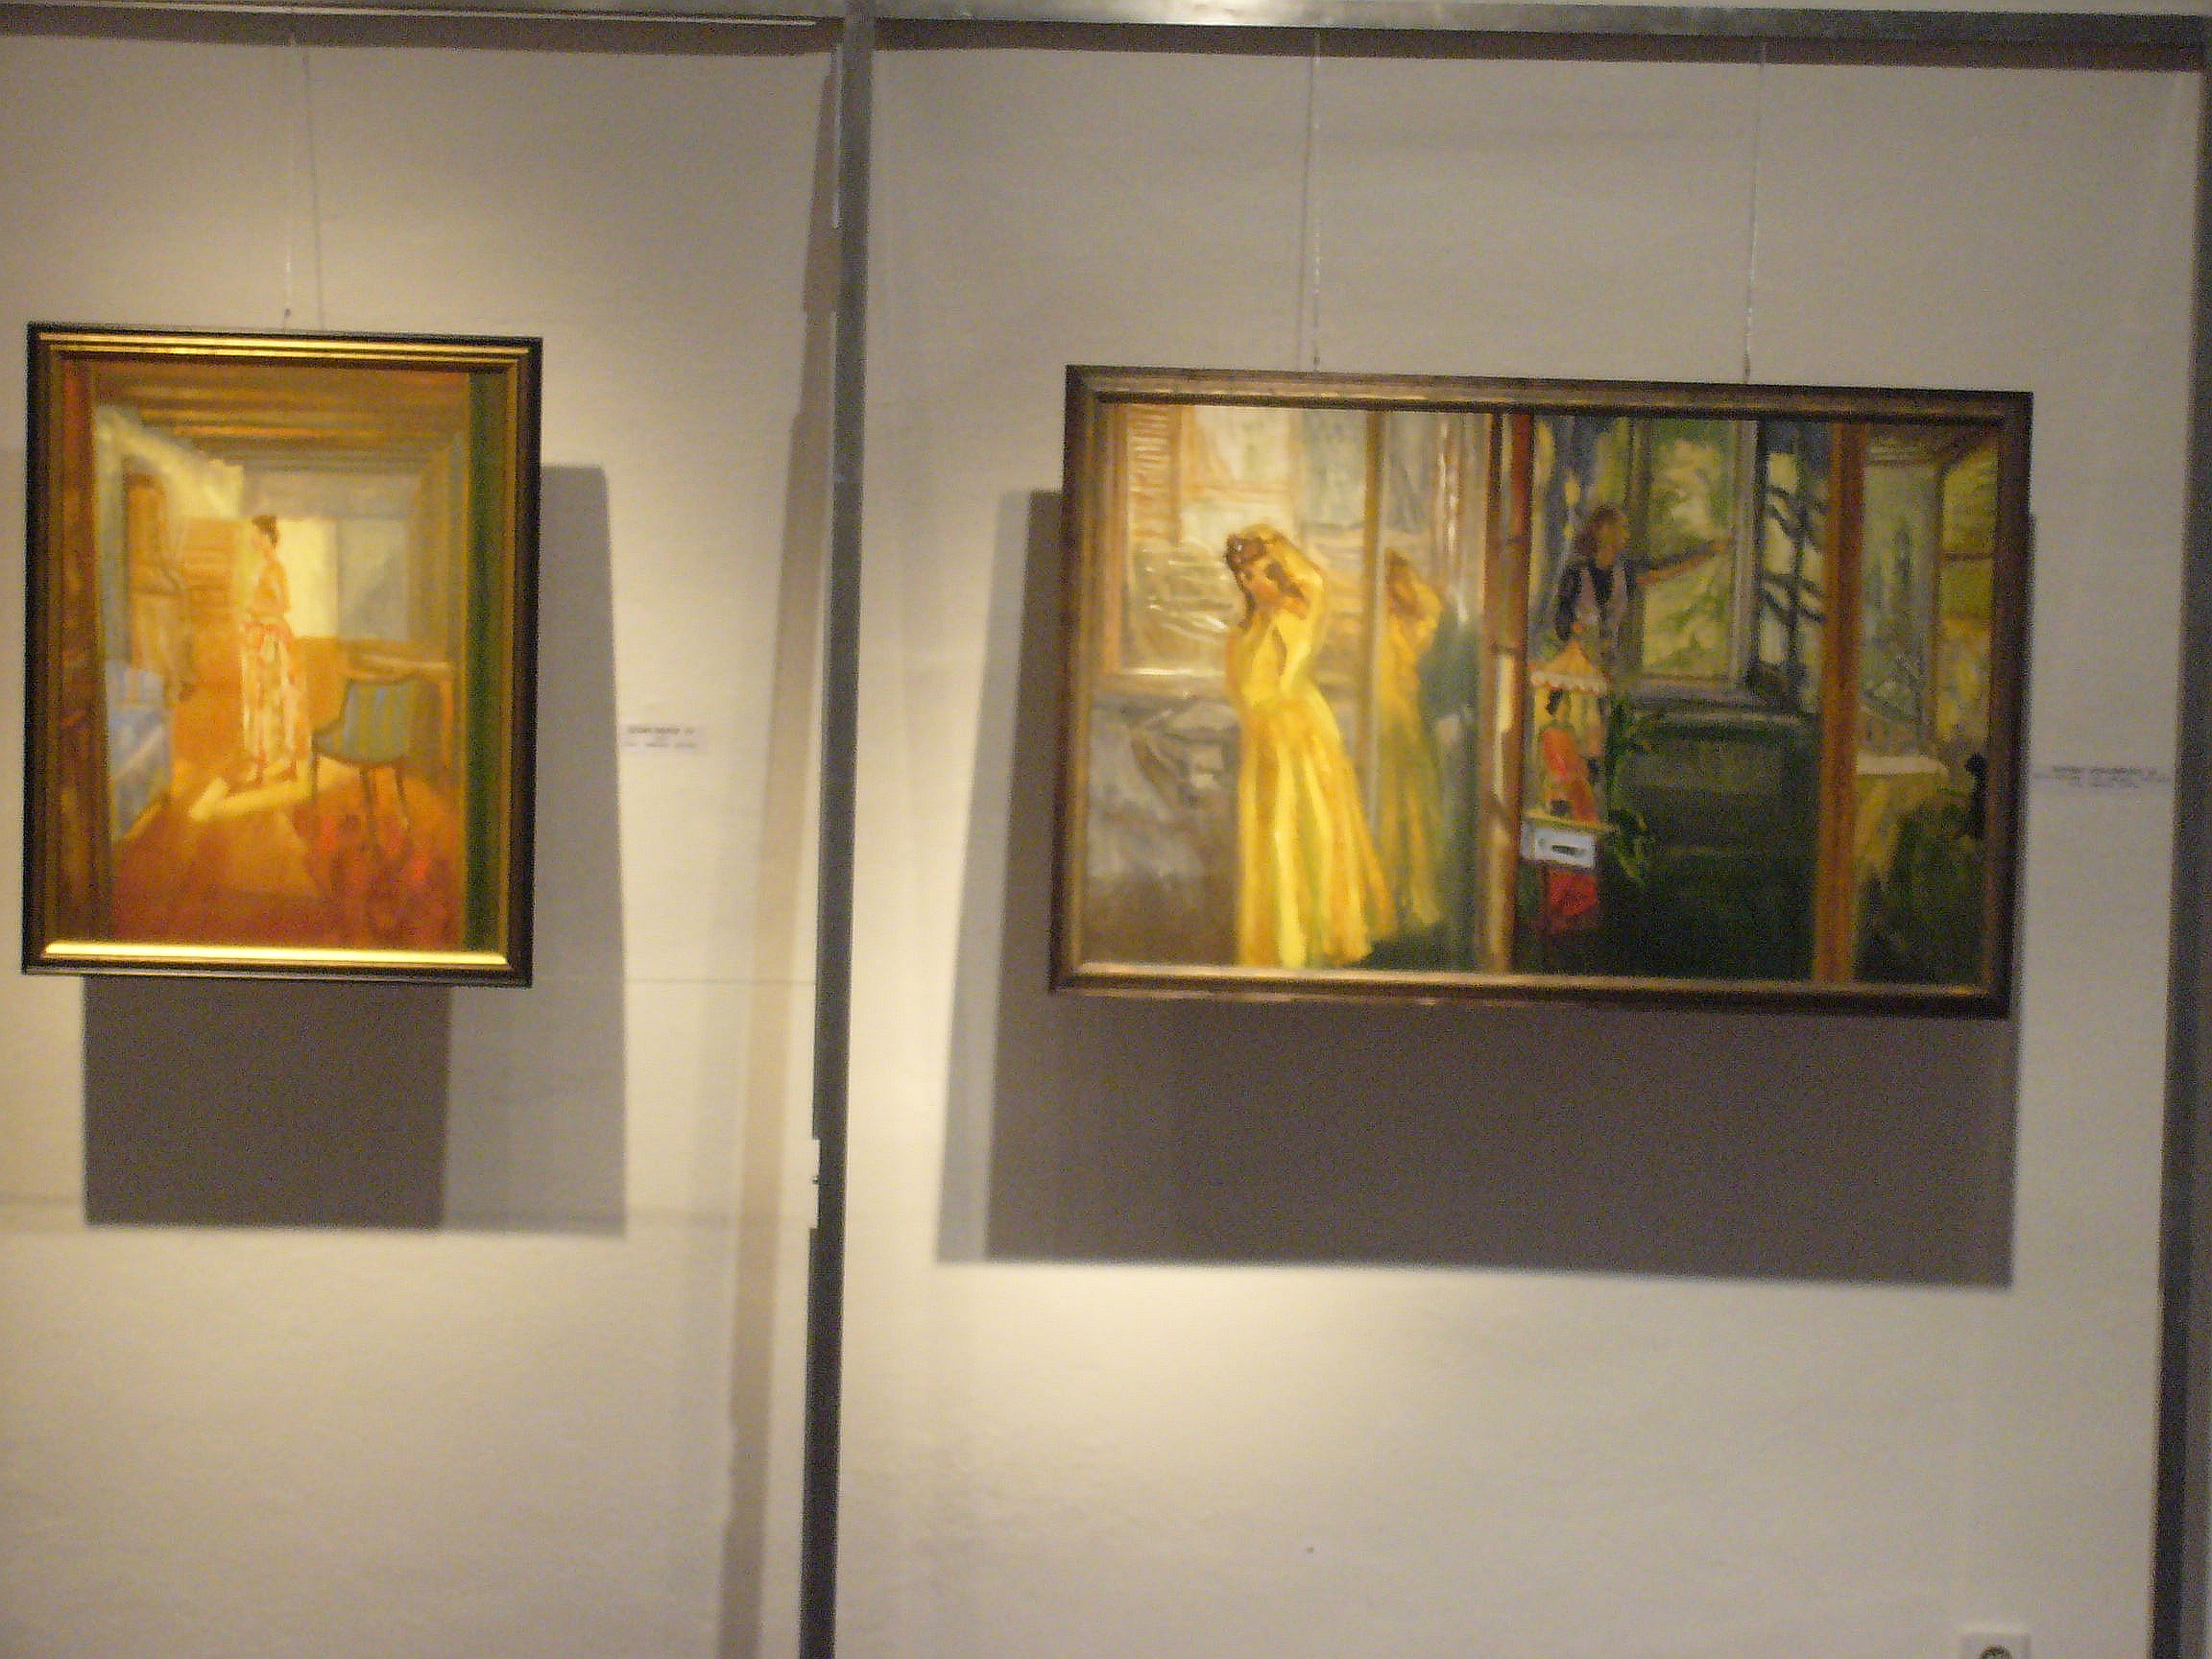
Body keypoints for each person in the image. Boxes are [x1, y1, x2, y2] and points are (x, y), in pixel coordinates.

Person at [1222, 525, 1393, 969]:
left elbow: (1313, 581)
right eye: (1246, 577)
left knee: (1308, 829)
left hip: (1301, 735)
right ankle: (1278, 941)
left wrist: (1269, 544)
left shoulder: (1300, 613)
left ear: (1281, 572)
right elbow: (1241, 690)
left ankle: (1314, 938)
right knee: (1272, 839)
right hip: (1265, 741)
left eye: (1264, 573)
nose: (1255, 584)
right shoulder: (1245, 631)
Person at [1374, 550, 1445, 935]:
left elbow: (1428, 631)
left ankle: (1413, 899)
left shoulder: (1416, 625)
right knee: (1388, 810)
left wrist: (1411, 607)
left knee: (1413, 812)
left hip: (1407, 724)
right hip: (1385, 726)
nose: (1391, 594)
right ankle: (1387, 898)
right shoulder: (1382, 628)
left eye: (1395, 585)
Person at [238, 514, 306, 786]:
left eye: (256, 534)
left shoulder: (275, 569)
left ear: (267, 537)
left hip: (272, 640)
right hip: (259, 637)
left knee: (275, 700)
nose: (252, 539)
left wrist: (256, 611)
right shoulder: (262, 567)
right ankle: (263, 764)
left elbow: (283, 604)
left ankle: (282, 763)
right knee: (259, 700)